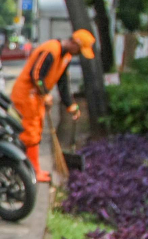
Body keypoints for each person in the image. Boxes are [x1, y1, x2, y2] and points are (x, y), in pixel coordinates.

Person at [11, 30, 94, 182]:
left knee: (36, 131)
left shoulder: (66, 57)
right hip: (26, 95)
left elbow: (63, 83)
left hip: (37, 97)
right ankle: (29, 171)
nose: (79, 54)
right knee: (30, 133)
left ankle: (33, 169)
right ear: (74, 43)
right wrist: (45, 93)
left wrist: (70, 105)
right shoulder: (51, 49)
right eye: (80, 50)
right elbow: (36, 74)